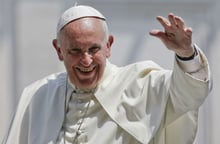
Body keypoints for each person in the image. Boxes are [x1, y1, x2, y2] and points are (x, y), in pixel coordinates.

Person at [2, 5, 211, 144]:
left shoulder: (141, 83)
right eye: (75, 50)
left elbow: (189, 93)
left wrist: (186, 54)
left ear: (108, 45)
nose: (86, 61)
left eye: (94, 49)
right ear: (58, 50)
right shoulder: (36, 96)